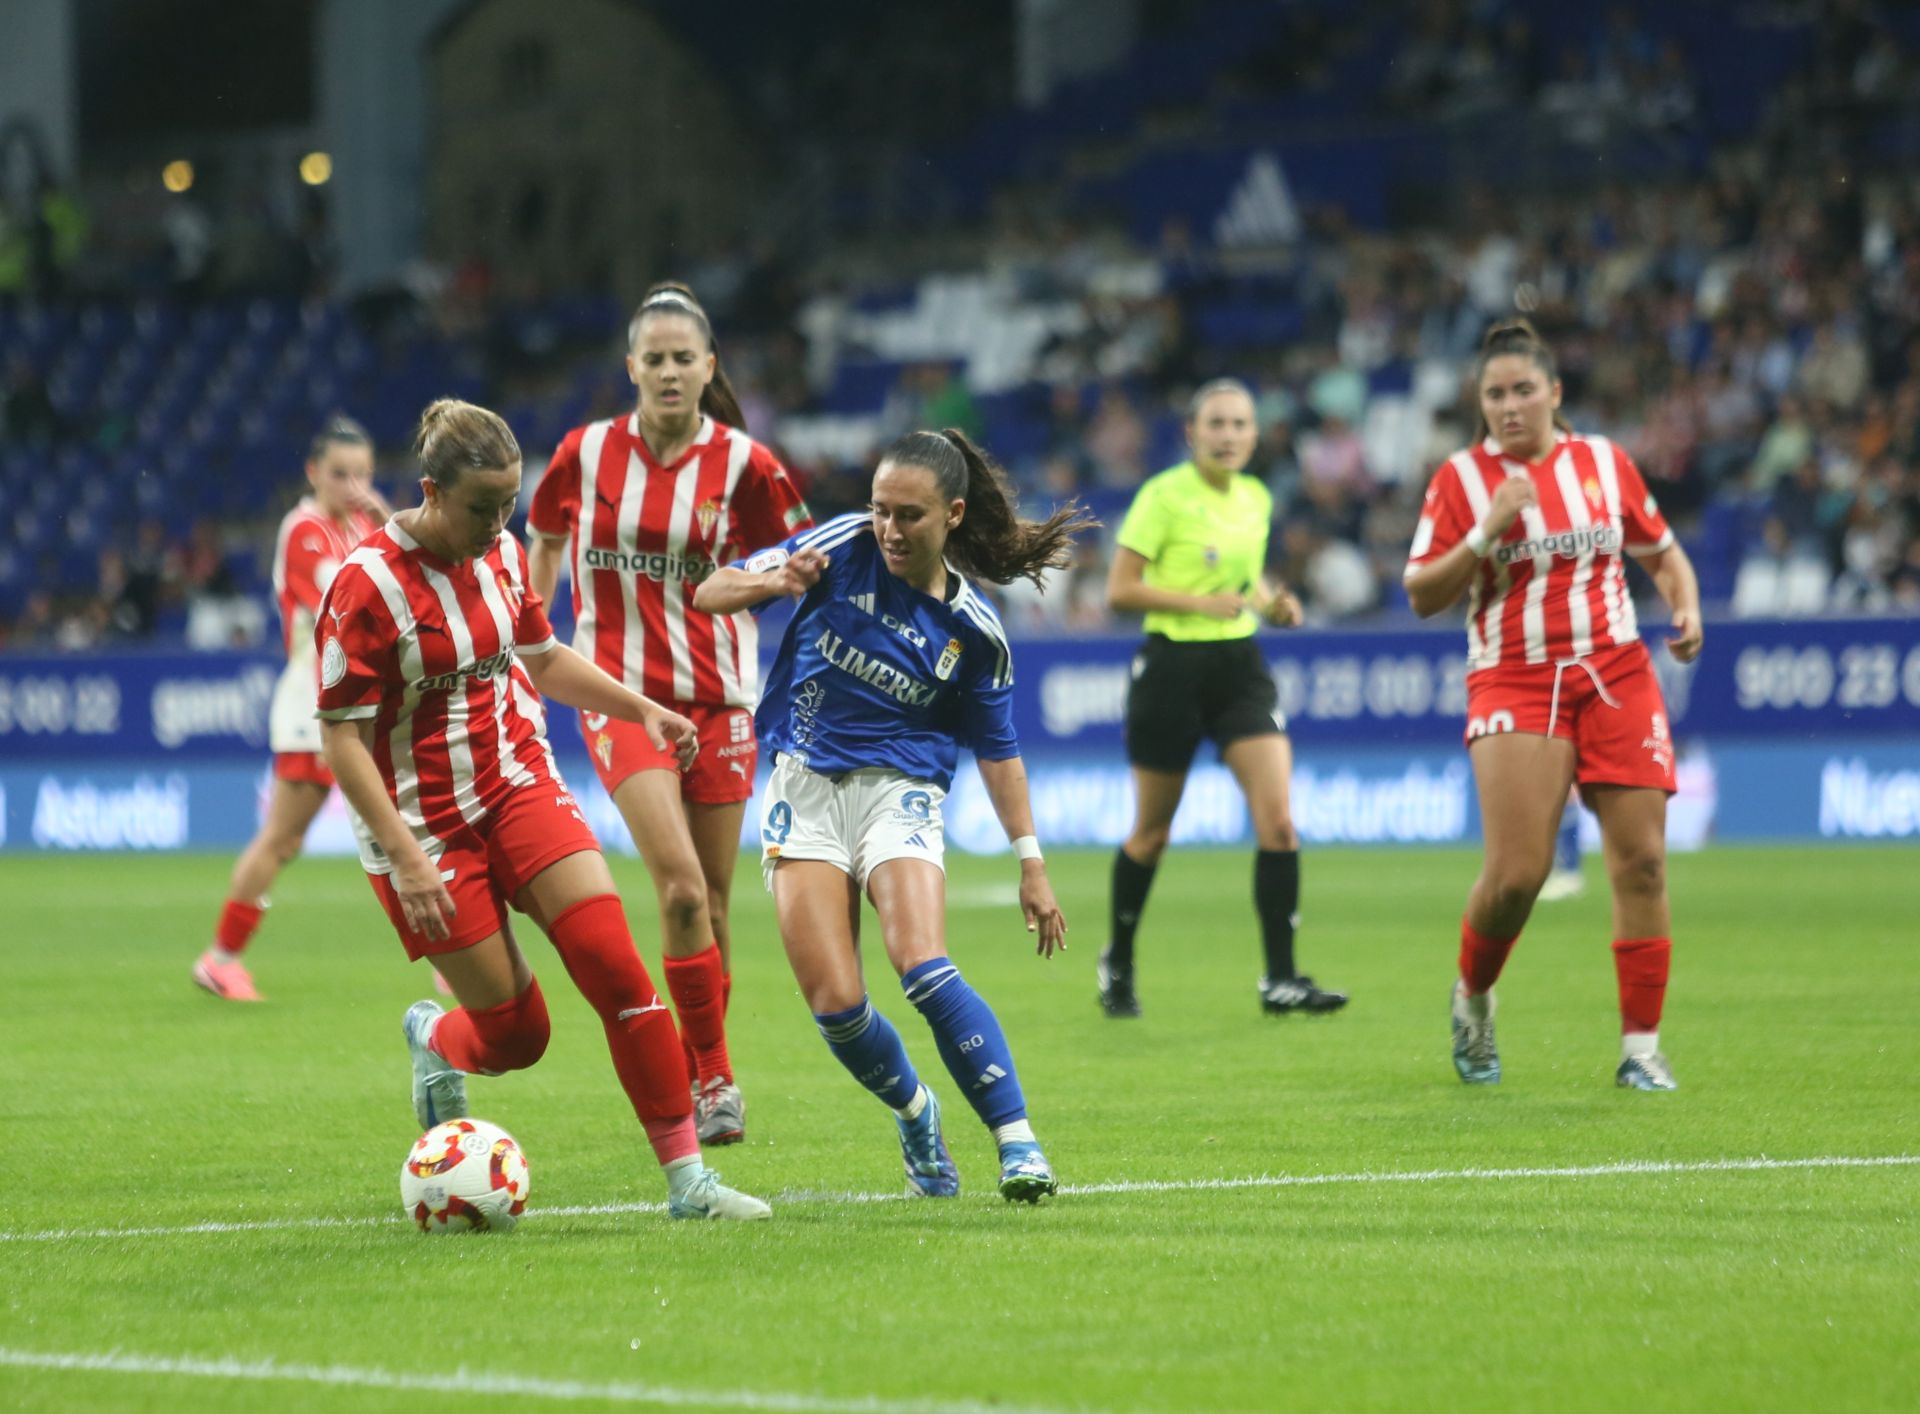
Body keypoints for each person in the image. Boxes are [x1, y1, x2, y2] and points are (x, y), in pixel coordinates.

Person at [316, 398, 769, 1220]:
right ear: (430, 491)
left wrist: (643, 711)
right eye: (482, 508)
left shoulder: (502, 557)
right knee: (518, 1037)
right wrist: (407, 856)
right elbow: (342, 739)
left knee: (619, 972)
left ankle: (689, 1183)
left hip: (518, 785)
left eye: (509, 506)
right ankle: (435, 1036)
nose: (499, 525)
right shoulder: (365, 587)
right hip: (422, 826)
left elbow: (544, 656)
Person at [693, 429, 1091, 1202]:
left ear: (951, 515)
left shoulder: (975, 631)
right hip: (802, 791)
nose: (889, 530)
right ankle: (917, 1113)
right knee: (837, 1007)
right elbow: (710, 591)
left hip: (899, 794)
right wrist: (778, 579)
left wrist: (1031, 863)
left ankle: (1020, 1146)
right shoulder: (840, 545)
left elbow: (999, 752)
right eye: (880, 511)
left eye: (909, 516)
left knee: (922, 963)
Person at [528, 282, 811, 1145]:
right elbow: (540, 540)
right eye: (653, 359)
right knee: (681, 888)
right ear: (631, 369)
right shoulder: (583, 454)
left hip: (722, 701)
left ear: (709, 366)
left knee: (716, 909)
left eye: (684, 358)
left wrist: (771, 581)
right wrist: (522, 645)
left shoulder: (745, 464)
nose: (668, 372)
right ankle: (716, 1082)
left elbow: (803, 557)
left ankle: (702, 1066)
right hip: (623, 699)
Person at [1404, 319, 1703, 1091]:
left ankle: (1642, 1051)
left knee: (1640, 863)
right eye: (1495, 394)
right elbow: (1421, 595)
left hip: (1615, 672)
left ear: (1554, 393)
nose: (1510, 406)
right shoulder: (1462, 480)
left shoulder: (1603, 462)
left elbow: (1661, 550)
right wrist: (1485, 533)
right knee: (1517, 876)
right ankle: (1472, 1000)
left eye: (1524, 390)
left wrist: (1685, 602)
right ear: (1481, 401)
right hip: (1514, 674)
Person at [1098, 379, 1348, 1020]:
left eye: (1240, 424)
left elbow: (1244, 578)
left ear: (1254, 435)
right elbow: (1120, 590)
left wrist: (1271, 602)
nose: (1230, 435)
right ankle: (1119, 960)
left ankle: (1282, 980)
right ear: (1192, 433)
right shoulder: (1162, 496)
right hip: (1170, 667)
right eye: (1217, 424)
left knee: (1280, 822)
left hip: (1239, 666)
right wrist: (1197, 603)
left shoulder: (1257, 497)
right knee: (1152, 834)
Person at [194, 416, 387, 1001]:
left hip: (363, 702)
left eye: (362, 475)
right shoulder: (303, 530)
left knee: (404, 823)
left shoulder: (362, 527)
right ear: (313, 473)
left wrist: (382, 525)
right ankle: (220, 958)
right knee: (283, 837)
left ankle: (450, 957)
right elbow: (347, 605)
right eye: (339, 473)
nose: (351, 486)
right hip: (314, 702)